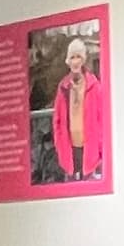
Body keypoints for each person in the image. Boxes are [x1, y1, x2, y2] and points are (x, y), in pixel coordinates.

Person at [47, 29, 101, 185]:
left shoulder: (94, 86)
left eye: (78, 57)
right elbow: (56, 121)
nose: (75, 61)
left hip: (90, 151)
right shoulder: (63, 87)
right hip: (69, 151)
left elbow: (102, 118)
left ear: (83, 60)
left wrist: (100, 150)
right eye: (72, 57)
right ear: (68, 61)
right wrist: (60, 146)